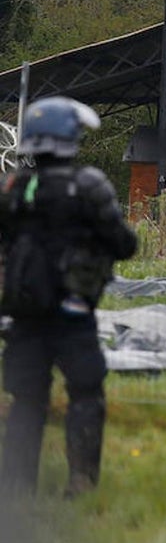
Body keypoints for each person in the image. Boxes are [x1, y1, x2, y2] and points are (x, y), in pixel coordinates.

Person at [0, 96, 137, 497]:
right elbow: (124, 244)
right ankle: (80, 480)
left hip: (24, 314)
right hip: (73, 314)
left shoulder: (13, 187)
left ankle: (16, 485)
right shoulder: (88, 186)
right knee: (85, 393)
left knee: (26, 399)